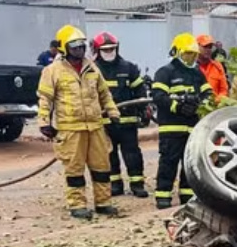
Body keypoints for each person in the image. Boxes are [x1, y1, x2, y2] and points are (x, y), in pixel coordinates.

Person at [37, 25, 120, 220]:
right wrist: (43, 122)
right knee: (74, 170)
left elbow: (104, 94)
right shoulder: (53, 71)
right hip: (70, 129)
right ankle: (77, 205)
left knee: (102, 167)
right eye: (74, 47)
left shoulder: (92, 68)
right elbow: (45, 98)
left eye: (81, 46)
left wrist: (113, 112)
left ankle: (103, 203)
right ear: (64, 48)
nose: (79, 50)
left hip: (95, 126)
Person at [151, 33, 213, 210]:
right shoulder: (165, 72)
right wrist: (177, 106)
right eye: (187, 54)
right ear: (177, 52)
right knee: (168, 163)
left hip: (192, 128)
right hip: (171, 128)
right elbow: (158, 96)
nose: (190, 58)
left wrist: (199, 105)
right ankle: (163, 196)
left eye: (193, 55)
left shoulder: (197, 74)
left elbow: (208, 94)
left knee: (189, 164)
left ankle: (187, 195)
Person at [91, 31, 148, 198]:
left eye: (112, 49)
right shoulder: (93, 70)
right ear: (97, 50)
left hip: (127, 121)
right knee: (109, 155)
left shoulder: (128, 68)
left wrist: (143, 108)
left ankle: (137, 184)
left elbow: (139, 90)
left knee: (132, 154)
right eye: (105, 49)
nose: (109, 52)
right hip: (104, 122)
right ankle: (115, 185)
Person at [196, 34, 229, 100]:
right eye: (205, 46)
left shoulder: (218, 66)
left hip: (215, 107)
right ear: (197, 47)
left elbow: (224, 90)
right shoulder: (191, 67)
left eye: (210, 47)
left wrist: (215, 101)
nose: (208, 49)